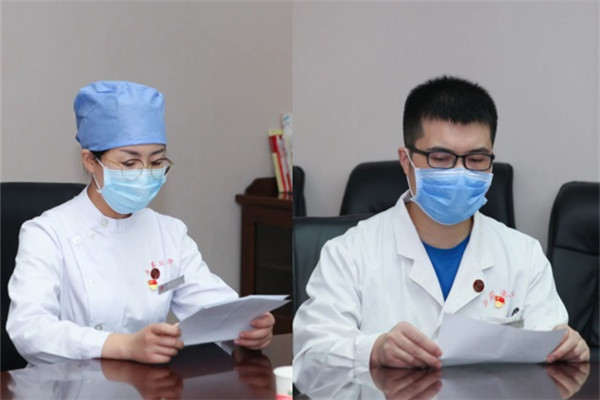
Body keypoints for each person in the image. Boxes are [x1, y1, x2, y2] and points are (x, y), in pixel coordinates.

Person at [293, 76, 589, 376]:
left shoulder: (524, 256)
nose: (460, 173)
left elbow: (550, 355)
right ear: (406, 161)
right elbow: (309, 356)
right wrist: (373, 350)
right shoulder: (349, 253)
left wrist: (568, 353)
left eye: (476, 159)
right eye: (441, 158)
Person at [7, 81, 274, 365]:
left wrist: (246, 325)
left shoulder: (169, 233)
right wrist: (123, 345)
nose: (145, 174)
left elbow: (209, 305)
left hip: (145, 380)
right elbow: (29, 329)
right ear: (89, 160)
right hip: (65, 381)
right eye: (129, 163)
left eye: (156, 162)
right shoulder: (47, 233)